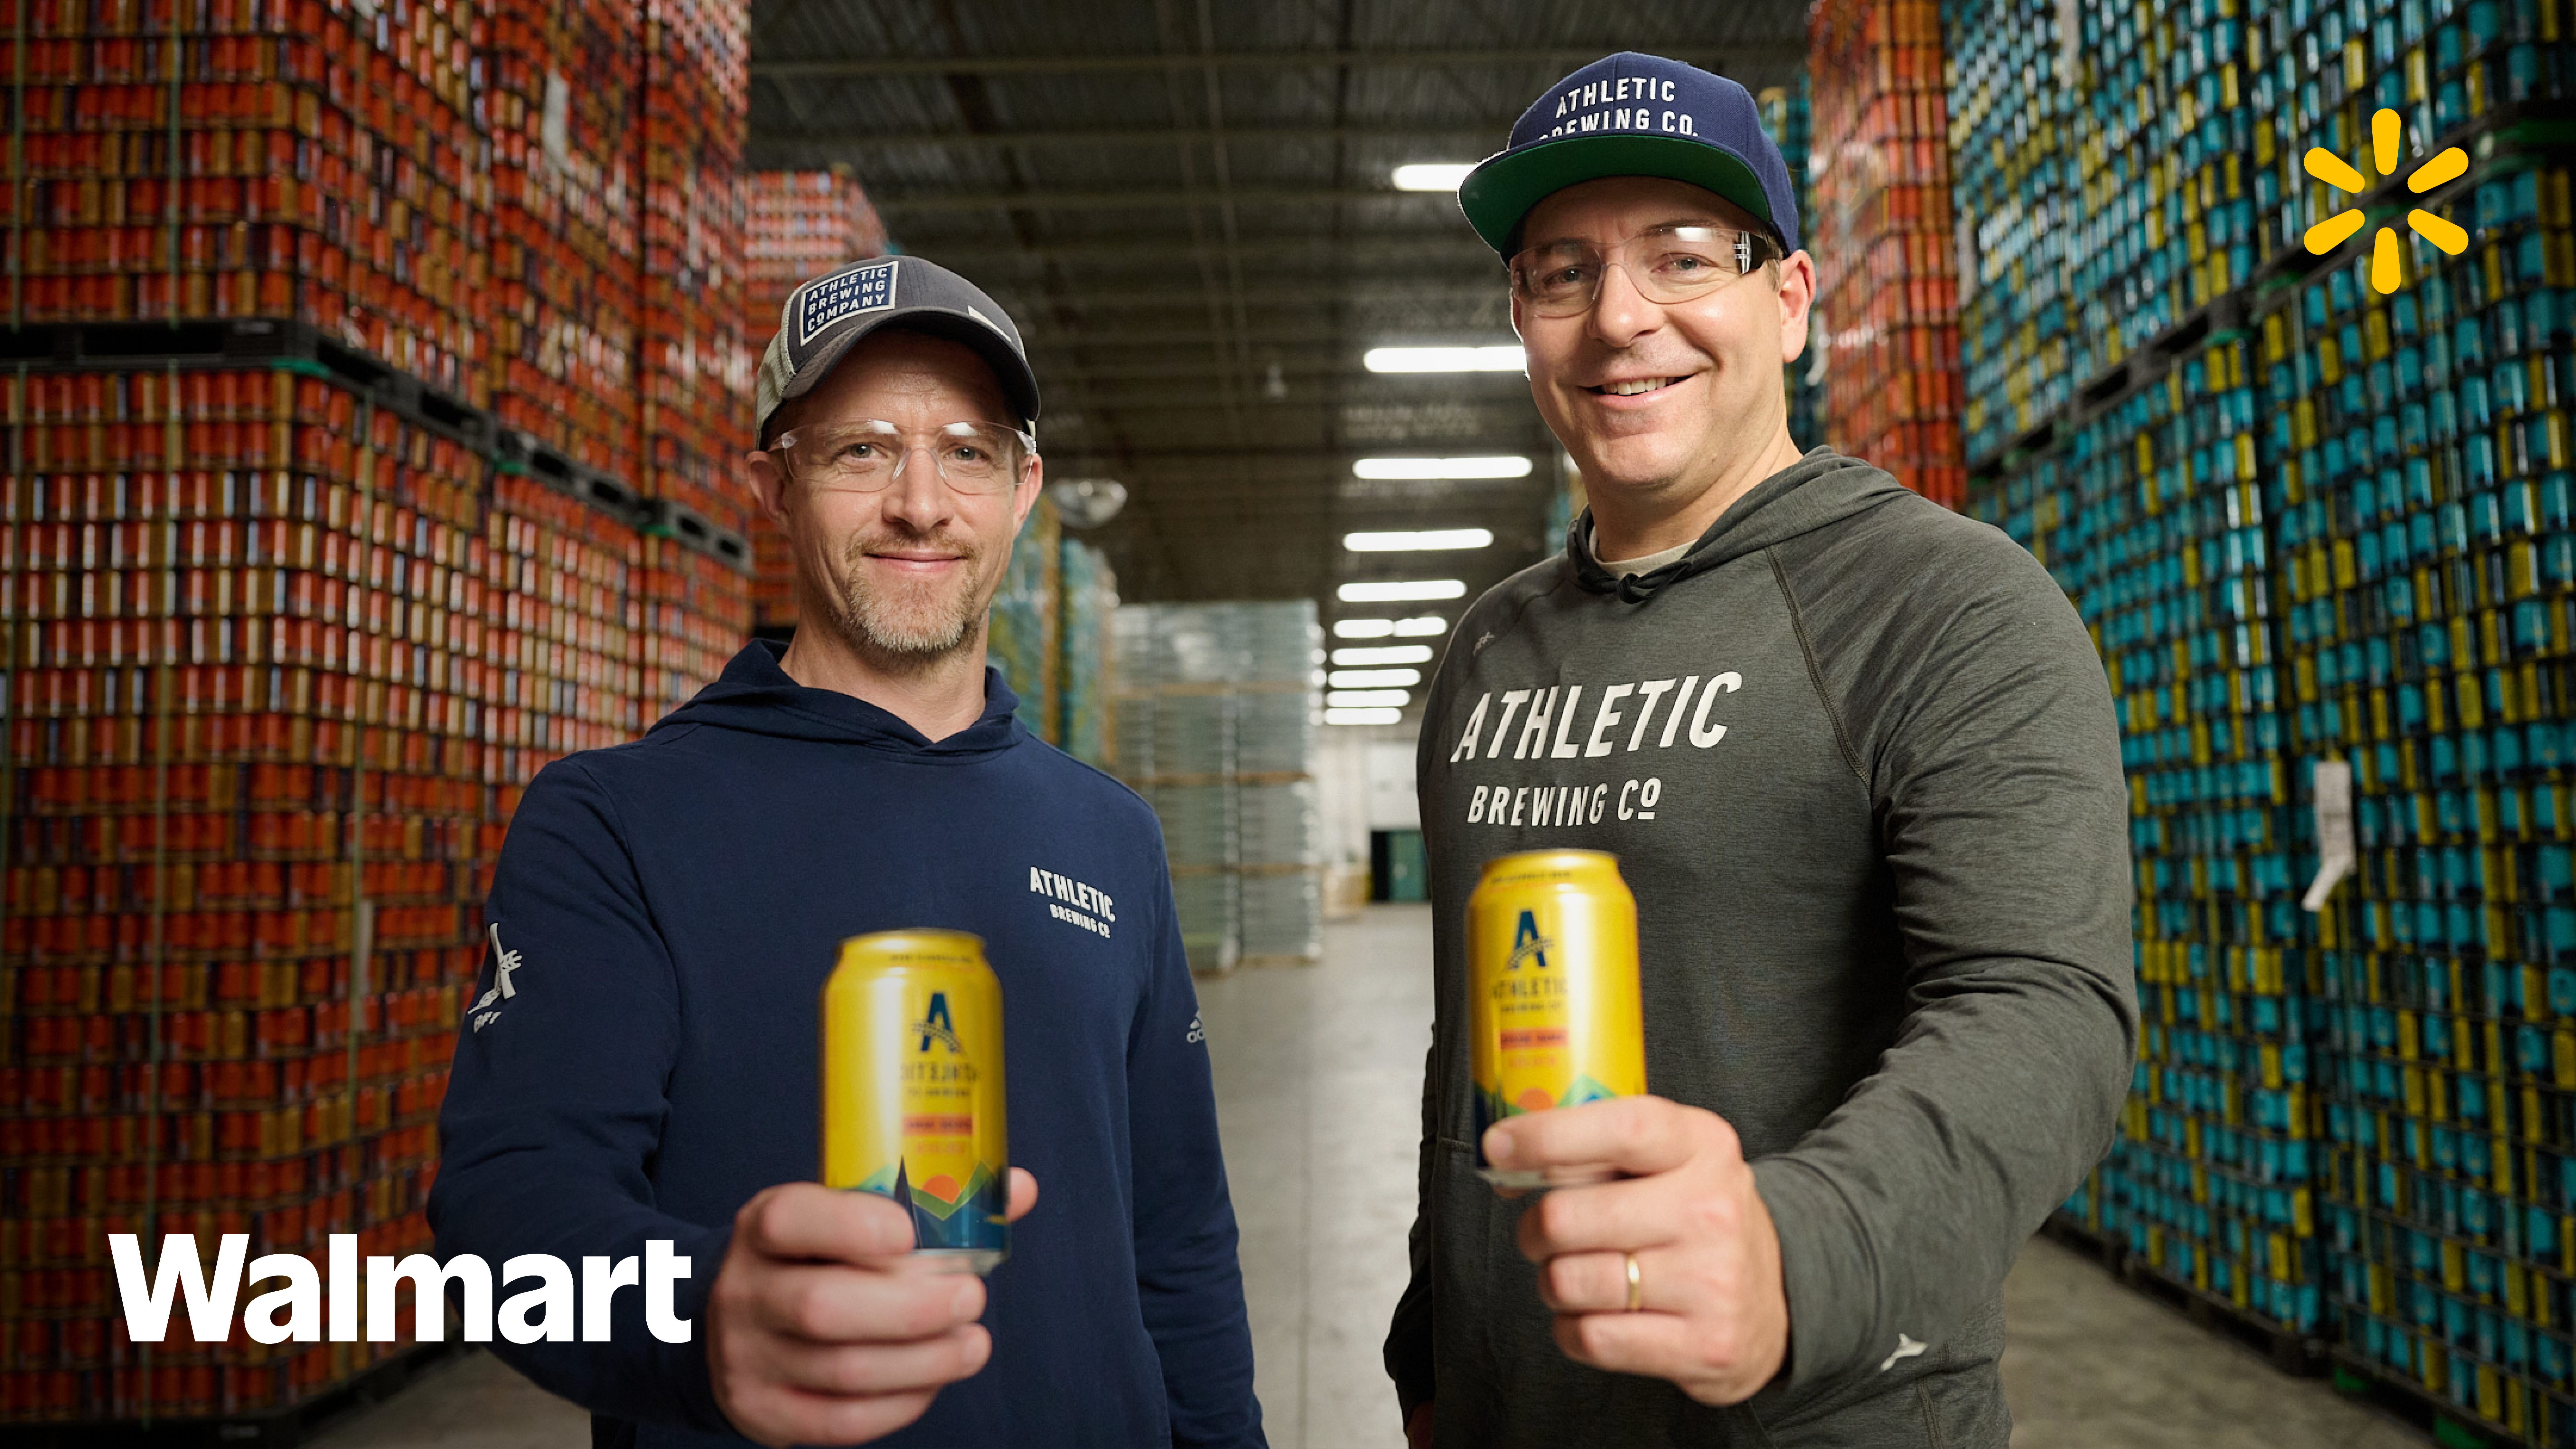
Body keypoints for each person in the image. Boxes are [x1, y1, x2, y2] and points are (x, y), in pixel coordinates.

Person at [1383, 52, 2136, 1448]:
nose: (1619, 319)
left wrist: (1799, 1249)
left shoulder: (1946, 602)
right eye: (1563, 273)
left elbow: (2041, 1006)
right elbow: (1470, 1046)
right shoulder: (1488, 649)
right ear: (1522, 317)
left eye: (1680, 260)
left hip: (1816, 1411)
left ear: (1785, 300)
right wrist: (1433, 1343)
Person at [431, 254, 1265, 1449]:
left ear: (1025, 487)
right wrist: (704, 1307)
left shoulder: (1110, 834)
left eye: (968, 451)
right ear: (774, 484)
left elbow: (1180, 1237)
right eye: (862, 450)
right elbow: (509, 1213)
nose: (921, 503)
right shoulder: (615, 822)